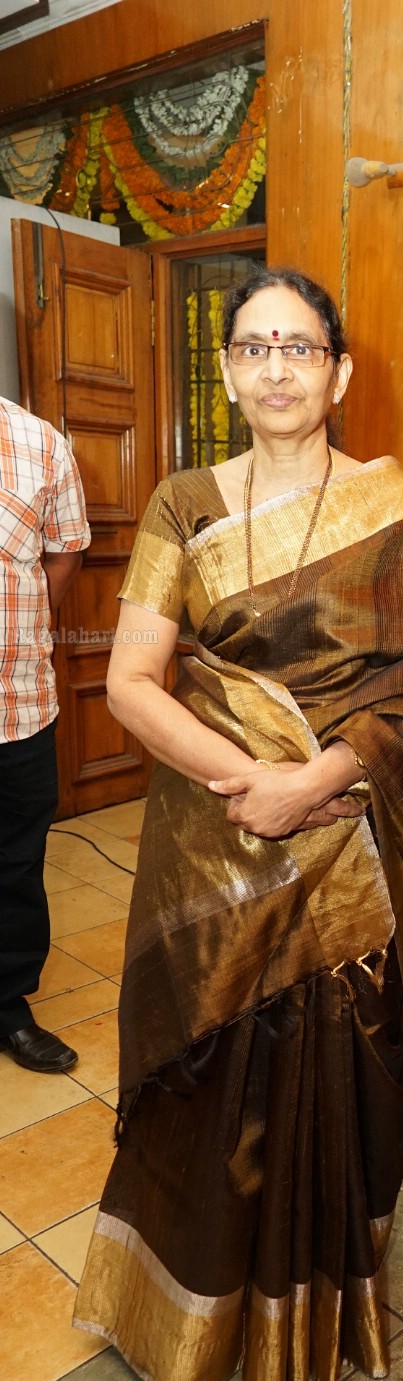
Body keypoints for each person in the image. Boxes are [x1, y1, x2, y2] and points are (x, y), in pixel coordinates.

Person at [73, 268, 403, 1381]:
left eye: (301, 347)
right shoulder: (184, 503)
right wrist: (253, 781)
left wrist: (318, 784)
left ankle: (309, 1313)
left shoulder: (396, 507)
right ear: (230, 372)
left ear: (339, 372)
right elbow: (132, 681)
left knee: (330, 1072)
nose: (278, 368)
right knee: (203, 1075)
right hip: (215, 838)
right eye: (254, 348)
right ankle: (191, 1320)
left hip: (348, 842)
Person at [1, 397, 88, 1074]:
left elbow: (63, 556)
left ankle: (7, 1004)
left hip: (18, 707)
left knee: (16, 864)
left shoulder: (39, 442)